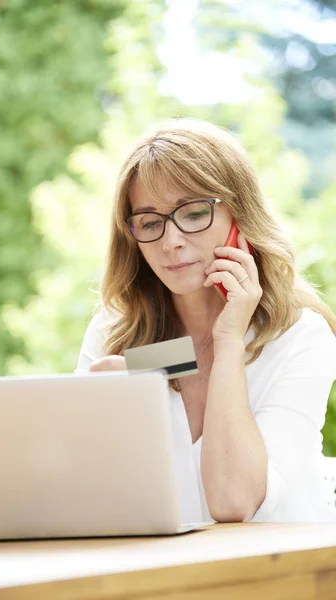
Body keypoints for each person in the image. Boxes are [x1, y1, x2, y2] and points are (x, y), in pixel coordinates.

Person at [75, 118, 336, 523]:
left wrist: (229, 339)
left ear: (240, 216)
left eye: (194, 213)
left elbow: (234, 502)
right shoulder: (115, 332)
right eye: (149, 222)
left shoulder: (300, 336)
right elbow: (86, 496)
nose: (171, 241)